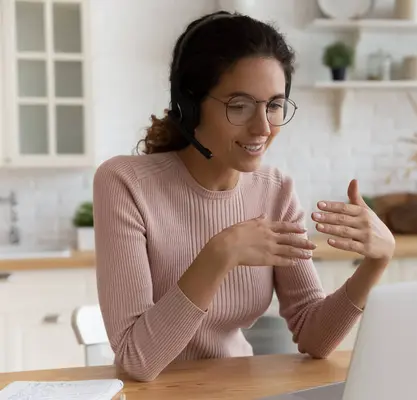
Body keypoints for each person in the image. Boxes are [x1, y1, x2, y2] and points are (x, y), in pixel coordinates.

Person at [92, 10, 396, 382]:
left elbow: (315, 337)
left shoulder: (275, 190)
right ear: (190, 107)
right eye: (239, 106)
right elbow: (137, 361)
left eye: (274, 105)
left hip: (242, 390)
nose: (263, 127)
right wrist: (221, 254)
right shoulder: (125, 183)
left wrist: (375, 264)